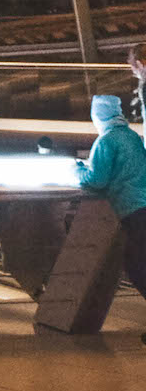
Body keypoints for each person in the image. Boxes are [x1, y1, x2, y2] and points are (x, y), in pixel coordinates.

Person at [78, 93, 146, 322]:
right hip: (143, 206)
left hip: (132, 210)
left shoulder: (106, 140)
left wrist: (76, 171)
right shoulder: (132, 137)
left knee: (137, 265)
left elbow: (96, 180)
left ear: (98, 116)